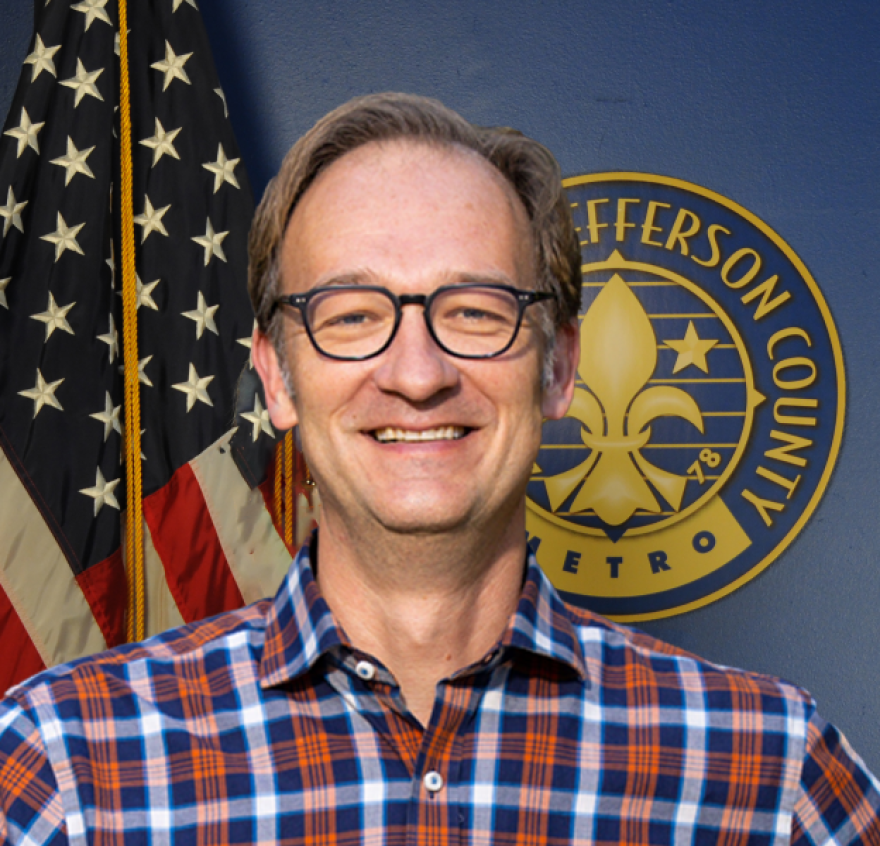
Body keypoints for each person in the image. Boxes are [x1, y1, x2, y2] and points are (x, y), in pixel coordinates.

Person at [1, 92, 878, 845]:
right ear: (275, 376)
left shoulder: (771, 775)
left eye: (474, 310)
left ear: (560, 367)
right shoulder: (71, 767)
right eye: (349, 315)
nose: (417, 374)